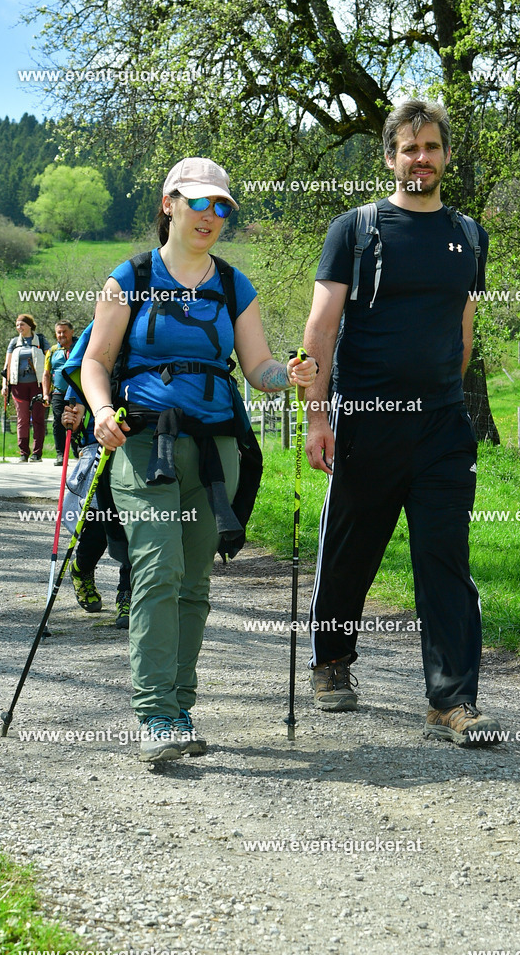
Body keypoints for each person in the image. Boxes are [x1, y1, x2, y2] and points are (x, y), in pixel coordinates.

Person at [80, 156, 317, 763]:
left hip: (216, 451)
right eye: (198, 202)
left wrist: (287, 375)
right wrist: (102, 410)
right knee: (158, 571)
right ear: (169, 204)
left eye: (221, 206)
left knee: (195, 581)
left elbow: (257, 366)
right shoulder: (128, 277)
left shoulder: (235, 286)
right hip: (143, 445)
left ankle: (180, 707)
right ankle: (156, 715)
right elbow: (95, 361)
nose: (210, 215)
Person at [301, 99, 502, 747]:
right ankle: (331, 662)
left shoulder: (469, 236)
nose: (421, 157)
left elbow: (464, 326)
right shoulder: (356, 230)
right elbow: (319, 329)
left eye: (431, 147)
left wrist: (441, 381)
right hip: (365, 421)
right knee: (349, 552)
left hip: (442, 427)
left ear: (445, 156)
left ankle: (451, 701)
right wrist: (317, 418)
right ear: (389, 157)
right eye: (408, 148)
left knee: (444, 559)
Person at [61, 398, 132, 629]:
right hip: (99, 447)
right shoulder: (88, 362)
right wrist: (71, 417)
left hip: (141, 443)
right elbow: (75, 396)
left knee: (136, 527)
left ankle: (128, 594)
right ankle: (81, 569)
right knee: (99, 527)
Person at [2, 314, 49, 462]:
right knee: (22, 419)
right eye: (17, 325)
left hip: (38, 385)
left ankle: (37, 453)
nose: (19, 328)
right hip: (18, 386)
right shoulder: (14, 342)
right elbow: (7, 366)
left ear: (29, 325)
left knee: (38, 417)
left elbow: (49, 361)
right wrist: (5, 385)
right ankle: (23, 452)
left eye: (21, 324)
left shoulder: (40, 340)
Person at [43, 320, 78, 466]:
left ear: (72, 332)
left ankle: (78, 451)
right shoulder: (52, 351)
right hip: (58, 392)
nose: (61, 335)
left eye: (64, 331)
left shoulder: (81, 347)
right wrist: (46, 394)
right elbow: (46, 374)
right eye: (59, 332)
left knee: (78, 420)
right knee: (58, 422)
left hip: (77, 391)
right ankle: (60, 455)